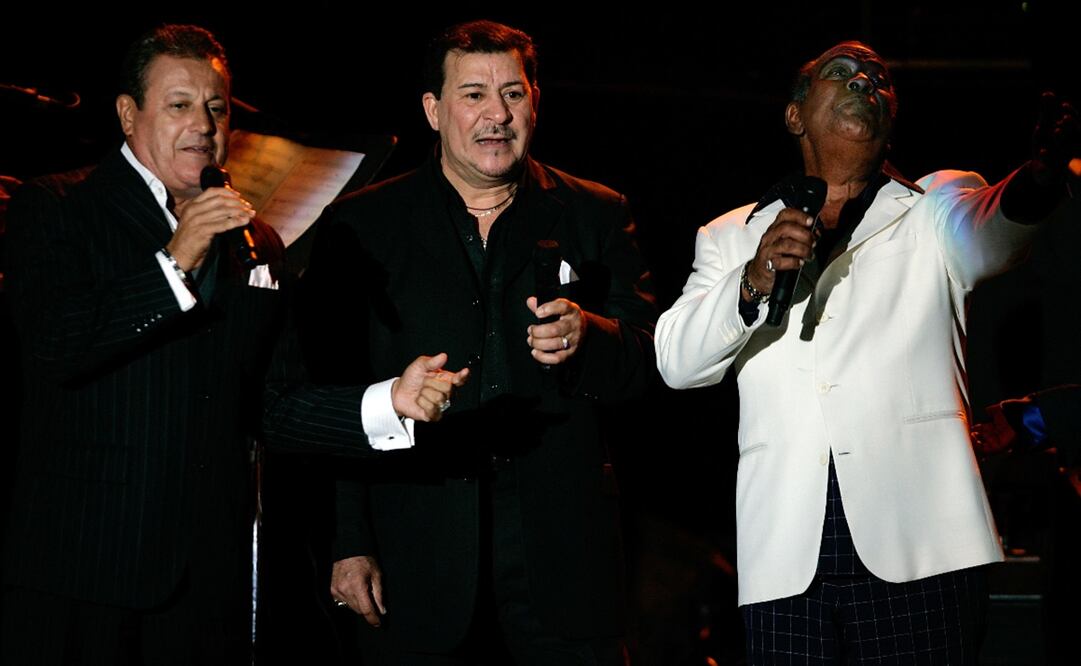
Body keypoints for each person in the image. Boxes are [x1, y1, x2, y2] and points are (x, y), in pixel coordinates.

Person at [0, 24, 462, 664]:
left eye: (216, 108)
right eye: (180, 105)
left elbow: (272, 402)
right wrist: (175, 260)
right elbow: (58, 345)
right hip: (88, 574)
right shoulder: (56, 207)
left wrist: (390, 403)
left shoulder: (256, 241)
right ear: (129, 115)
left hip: (214, 580)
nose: (204, 125)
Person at [655, 41, 1077, 663]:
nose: (863, 83)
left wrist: (1039, 179)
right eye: (842, 73)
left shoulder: (933, 207)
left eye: (878, 79)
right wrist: (754, 278)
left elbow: (993, 233)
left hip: (923, 547)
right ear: (795, 115)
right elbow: (677, 362)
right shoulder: (730, 234)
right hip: (785, 559)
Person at [286, 19, 656, 664]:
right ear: (433, 110)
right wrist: (347, 541)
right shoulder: (361, 224)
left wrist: (589, 336)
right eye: (474, 94)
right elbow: (325, 395)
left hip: (562, 560)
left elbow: (654, 358)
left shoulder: (594, 212)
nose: (497, 115)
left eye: (513, 93)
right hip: (414, 557)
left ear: (535, 102)